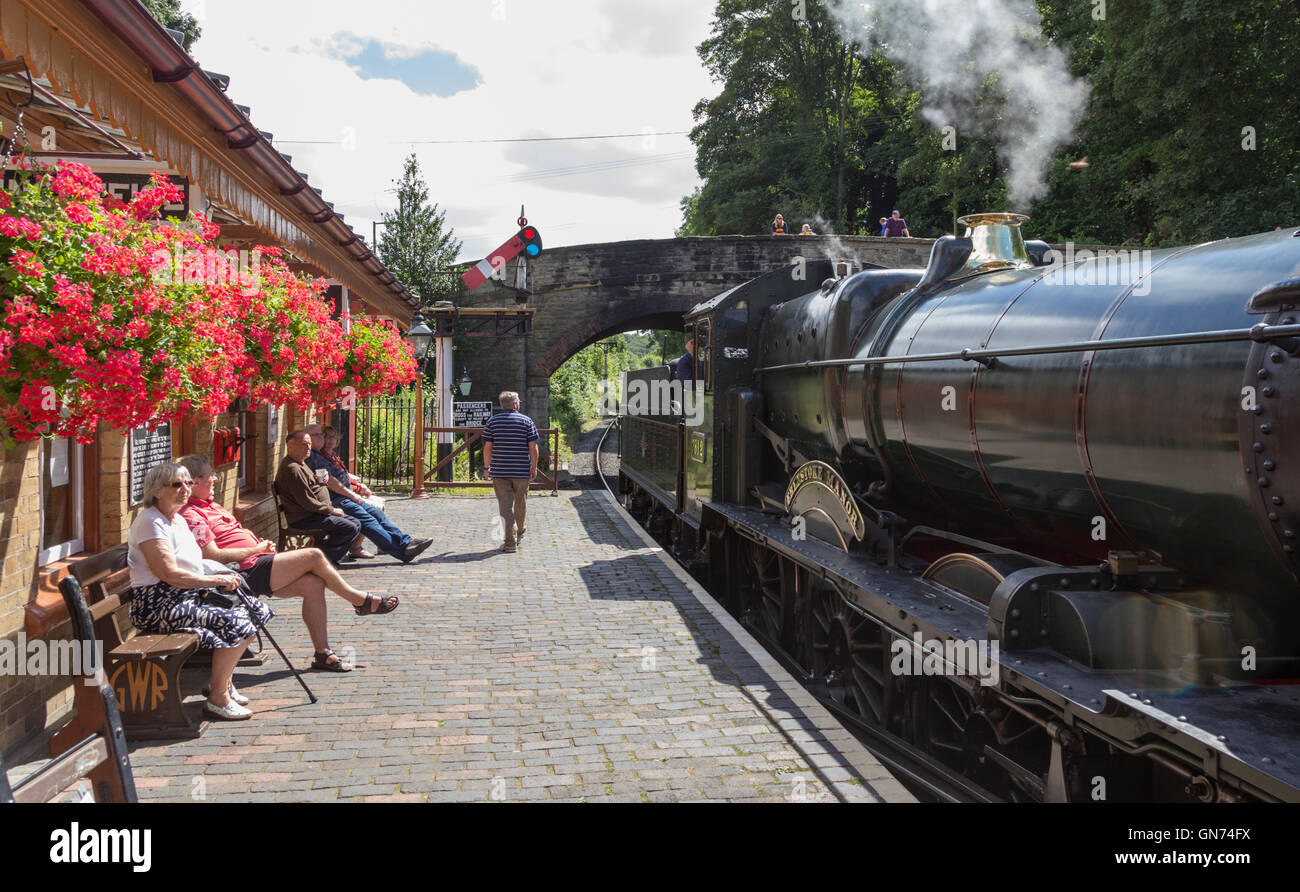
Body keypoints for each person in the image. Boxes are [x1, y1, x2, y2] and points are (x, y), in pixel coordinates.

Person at [177, 455, 398, 673]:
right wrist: (255, 549)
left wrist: (257, 545)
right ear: (194, 482)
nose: (215, 479)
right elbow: (212, 556)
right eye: (210, 475)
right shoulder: (191, 514)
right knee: (313, 556)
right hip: (239, 572)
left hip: (256, 562)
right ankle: (359, 600)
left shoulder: (210, 505)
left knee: (313, 584)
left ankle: (323, 653)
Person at [126, 462, 273, 721]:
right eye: (176, 484)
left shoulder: (177, 519)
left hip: (185, 595)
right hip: (159, 604)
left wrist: (221, 575)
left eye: (187, 483)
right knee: (234, 620)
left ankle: (221, 683)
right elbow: (168, 574)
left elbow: (193, 563)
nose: (185, 489)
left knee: (255, 609)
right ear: (157, 491)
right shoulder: (150, 522)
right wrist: (213, 581)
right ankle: (218, 698)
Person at [303, 423, 432, 564]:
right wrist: (353, 495)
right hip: (338, 500)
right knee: (368, 521)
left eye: (321, 434)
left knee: (377, 514)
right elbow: (332, 482)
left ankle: (405, 542)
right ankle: (402, 552)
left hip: (345, 497)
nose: (321, 437)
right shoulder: (313, 457)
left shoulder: (321, 454)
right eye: (317, 435)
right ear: (307, 439)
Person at [275, 429, 362, 566]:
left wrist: (322, 481)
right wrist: (331, 510)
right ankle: (321, 561)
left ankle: (323, 556)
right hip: (306, 517)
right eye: (304, 444)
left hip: (316, 513)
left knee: (356, 523)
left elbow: (311, 488)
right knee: (349, 527)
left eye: (309, 444)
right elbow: (306, 501)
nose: (308, 447)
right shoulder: (292, 468)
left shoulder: (301, 463)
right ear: (290, 446)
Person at [482, 391, 539, 554]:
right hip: (521, 470)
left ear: (502, 405)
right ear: (515, 404)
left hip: (500, 471)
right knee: (521, 502)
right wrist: (533, 467)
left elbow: (487, 447)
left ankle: (509, 543)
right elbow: (533, 447)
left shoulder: (492, 422)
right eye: (519, 402)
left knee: (505, 507)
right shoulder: (526, 421)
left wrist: (487, 468)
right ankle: (520, 532)